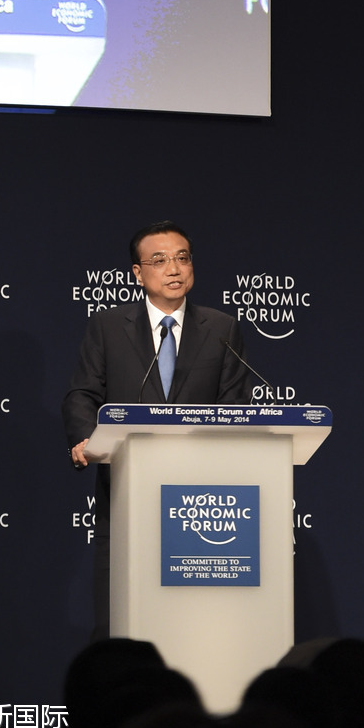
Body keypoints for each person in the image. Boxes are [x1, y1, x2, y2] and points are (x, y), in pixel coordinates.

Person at [62, 220, 253, 636]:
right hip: (127, 488)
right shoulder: (108, 326)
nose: (174, 269)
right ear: (138, 272)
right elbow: (82, 393)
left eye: (182, 258)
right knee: (122, 613)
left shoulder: (221, 328)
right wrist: (85, 436)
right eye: (160, 260)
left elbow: (234, 403)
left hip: (201, 497)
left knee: (192, 620)